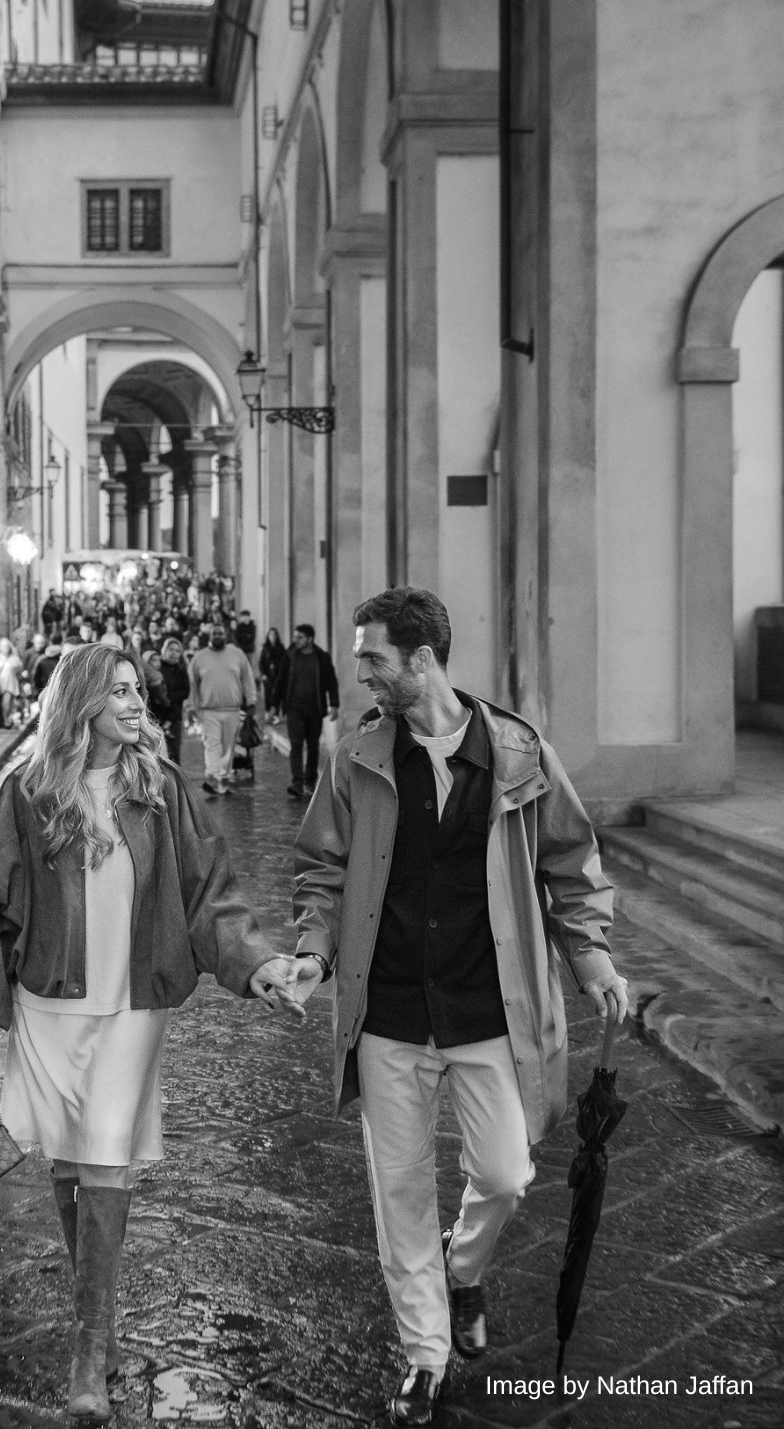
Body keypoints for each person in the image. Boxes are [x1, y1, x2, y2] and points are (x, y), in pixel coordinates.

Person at [281, 587, 628, 1426]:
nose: (359, 671)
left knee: (506, 1173)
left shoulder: (517, 751)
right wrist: (312, 952)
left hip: (488, 1010)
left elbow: (570, 862)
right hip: (388, 1012)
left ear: (422, 661)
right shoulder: (354, 755)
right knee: (399, 1191)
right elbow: (323, 871)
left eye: (372, 658)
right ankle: (425, 1355)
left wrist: (591, 954)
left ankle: (461, 1266)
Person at [0, 644, 297, 1424]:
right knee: (71, 1157)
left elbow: (211, 894)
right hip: (49, 1003)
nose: (136, 701)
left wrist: (256, 966)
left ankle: (87, 1347)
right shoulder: (30, 792)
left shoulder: (161, 787)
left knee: (106, 1152)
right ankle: (98, 1319)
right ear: (80, 702)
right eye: (117, 690)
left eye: (137, 688)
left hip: (134, 1007)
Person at [270, 624, 340, 799]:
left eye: (299, 637)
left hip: (315, 709)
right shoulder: (290, 656)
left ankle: (310, 780)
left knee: (313, 746)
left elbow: (331, 681)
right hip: (294, 708)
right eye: (294, 637)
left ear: (310, 639)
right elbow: (280, 681)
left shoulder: (321, 657)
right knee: (296, 745)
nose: (295, 640)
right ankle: (297, 783)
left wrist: (334, 704)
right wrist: (273, 706)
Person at [188, 622, 256, 797]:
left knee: (228, 748)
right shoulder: (199, 657)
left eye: (220, 633)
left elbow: (248, 679)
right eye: (214, 634)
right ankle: (211, 778)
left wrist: (251, 701)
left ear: (226, 635)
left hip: (233, 709)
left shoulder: (237, 654)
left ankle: (223, 781)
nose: (217, 636)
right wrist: (190, 707)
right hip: (208, 710)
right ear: (209, 637)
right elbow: (193, 684)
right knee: (212, 745)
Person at [155, 637, 190, 765]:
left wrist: (167, 697)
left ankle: (176, 783)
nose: (174, 653)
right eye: (171, 649)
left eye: (177, 650)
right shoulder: (157, 668)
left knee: (174, 752)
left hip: (175, 716)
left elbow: (185, 691)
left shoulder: (181, 670)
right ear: (164, 650)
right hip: (158, 715)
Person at [258, 628, 286, 720]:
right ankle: (267, 712)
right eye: (270, 634)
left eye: (274, 634)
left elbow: (284, 661)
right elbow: (261, 662)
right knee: (268, 694)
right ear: (268, 636)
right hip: (268, 674)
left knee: (277, 694)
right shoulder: (265, 648)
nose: (272, 636)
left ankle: (276, 713)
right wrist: (263, 674)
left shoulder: (281, 648)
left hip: (278, 674)